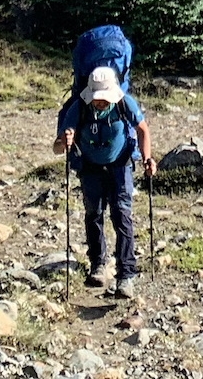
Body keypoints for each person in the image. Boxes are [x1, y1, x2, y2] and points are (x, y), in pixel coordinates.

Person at [54, 62, 155, 295]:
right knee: (94, 213)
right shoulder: (78, 108)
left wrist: (147, 158)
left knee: (122, 215)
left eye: (104, 98)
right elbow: (57, 148)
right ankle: (98, 266)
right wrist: (65, 140)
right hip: (90, 166)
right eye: (97, 98)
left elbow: (142, 130)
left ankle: (126, 275)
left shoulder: (124, 103)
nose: (100, 102)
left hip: (120, 164)